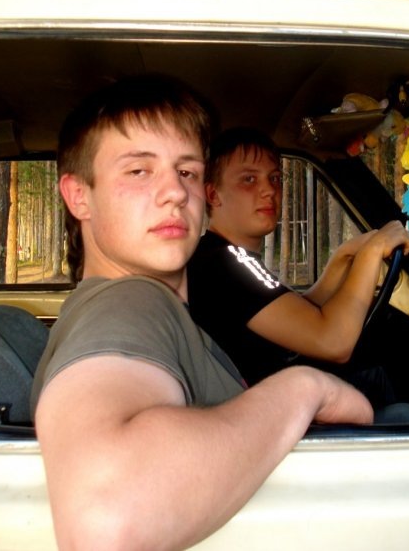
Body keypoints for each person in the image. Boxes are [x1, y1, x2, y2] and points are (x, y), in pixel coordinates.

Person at [30, 75, 373, 551]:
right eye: (139, 171)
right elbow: (106, 519)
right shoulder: (131, 303)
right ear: (78, 196)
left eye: (187, 172)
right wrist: (307, 389)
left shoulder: (156, 306)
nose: (175, 192)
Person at [187, 127, 409, 419]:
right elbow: (333, 343)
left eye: (274, 178)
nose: (269, 190)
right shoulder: (225, 264)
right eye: (249, 179)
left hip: (278, 399)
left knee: (378, 376)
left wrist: (343, 257)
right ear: (213, 194)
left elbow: (297, 313)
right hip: (271, 420)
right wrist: (371, 252)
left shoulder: (225, 257)